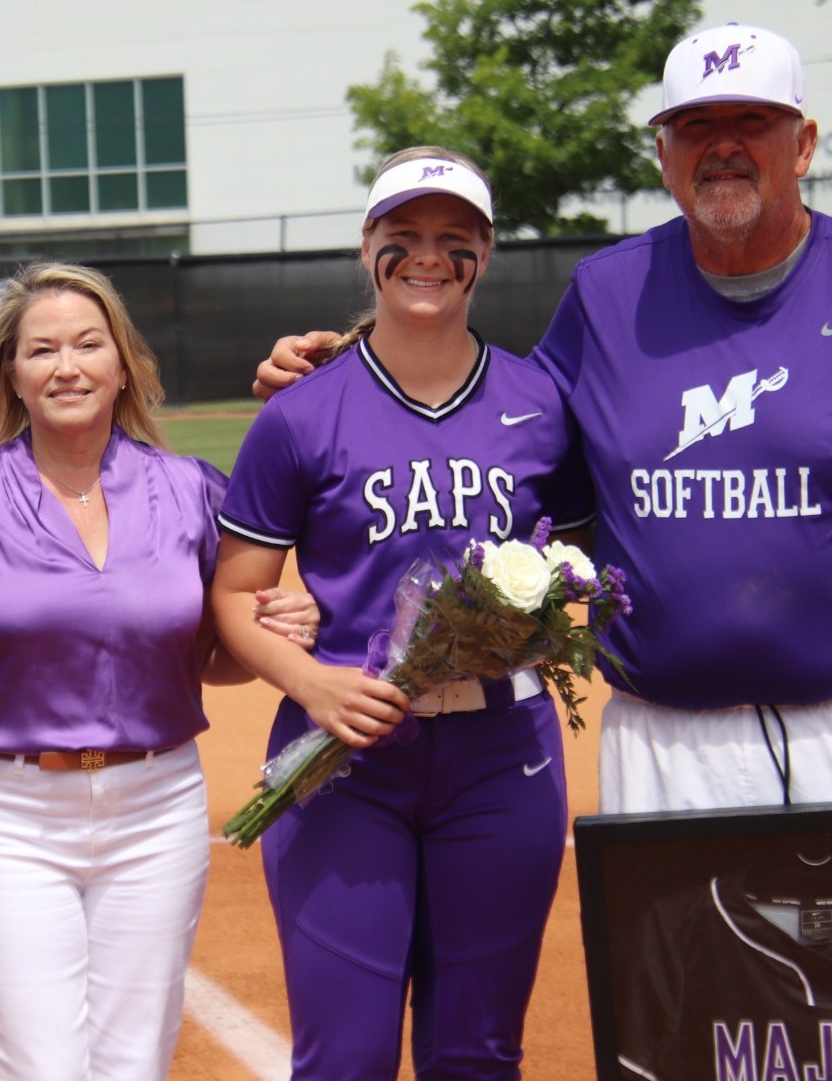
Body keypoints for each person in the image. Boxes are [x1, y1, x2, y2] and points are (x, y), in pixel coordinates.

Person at [255, 24, 832, 843]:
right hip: (664, 739)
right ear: (663, 153)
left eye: (751, 122)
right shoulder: (607, 296)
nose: (722, 147)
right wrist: (339, 370)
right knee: (676, 975)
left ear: (802, 144)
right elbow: (488, 419)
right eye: (695, 126)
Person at [213, 150, 594, 1079]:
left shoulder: (542, 401)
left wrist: (541, 628)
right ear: (368, 247)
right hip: (345, 760)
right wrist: (312, 682)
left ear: (485, 254)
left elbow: (578, 576)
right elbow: (232, 594)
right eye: (405, 237)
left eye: (453, 241)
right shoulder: (301, 412)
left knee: (476, 1054)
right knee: (344, 1057)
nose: (429, 258)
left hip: (502, 757)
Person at [0, 261, 316, 1081]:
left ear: (123, 364)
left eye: (89, 344)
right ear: (11, 375)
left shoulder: (192, 490)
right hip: (4, 810)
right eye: (41, 350)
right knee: (41, 1065)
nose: (67, 366)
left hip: (156, 805)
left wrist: (273, 629)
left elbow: (209, 659)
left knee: (133, 1062)